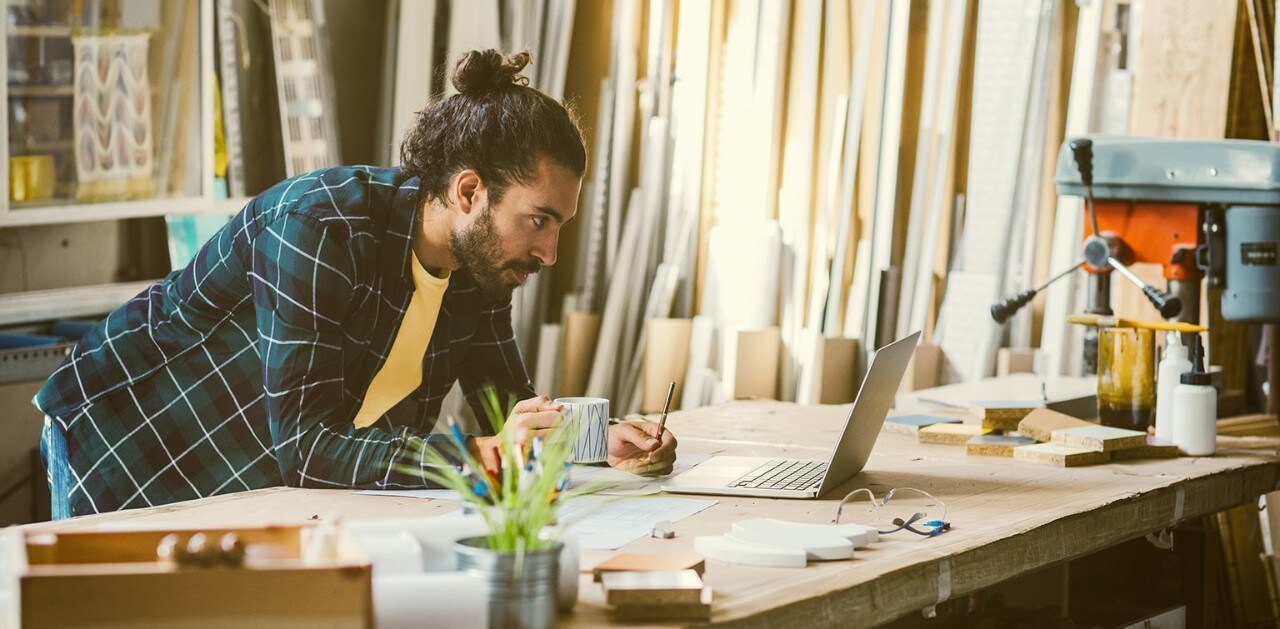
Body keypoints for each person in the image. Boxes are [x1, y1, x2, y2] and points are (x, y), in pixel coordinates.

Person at [33, 49, 677, 519]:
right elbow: (309, 448)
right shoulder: (319, 227)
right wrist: (485, 453)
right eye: (538, 220)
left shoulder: (480, 272)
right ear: (470, 191)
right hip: (125, 439)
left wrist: (595, 440)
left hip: (251, 468)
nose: (549, 251)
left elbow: (506, 412)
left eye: (559, 226)